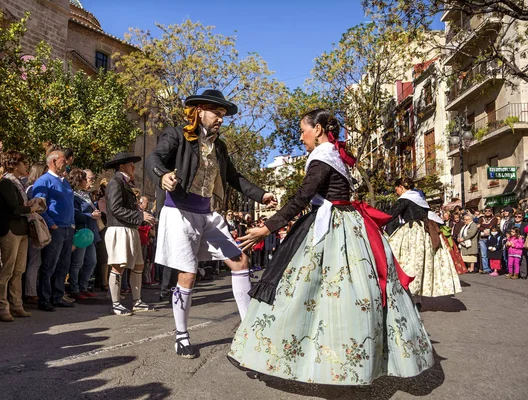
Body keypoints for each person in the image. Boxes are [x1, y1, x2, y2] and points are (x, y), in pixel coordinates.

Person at [229, 109, 433, 385]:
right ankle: (349, 360)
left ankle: (292, 357)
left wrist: (267, 228)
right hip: (345, 224)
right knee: (337, 295)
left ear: (320, 129)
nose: (301, 137)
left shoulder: (323, 155)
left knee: (302, 292)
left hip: (332, 226)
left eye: (304, 130)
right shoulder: (334, 155)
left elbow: (302, 197)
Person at [145, 89, 277, 359]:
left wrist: (260, 194)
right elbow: (154, 159)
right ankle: (181, 336)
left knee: (239, 261)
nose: (221, 119)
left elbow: (233, 177)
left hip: (207, 213)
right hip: (179, 212)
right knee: (188, 274)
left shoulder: (219, 146)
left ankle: (248, 329)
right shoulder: (177, 135)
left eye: (223, 115)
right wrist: (162, 176)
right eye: (216, 113)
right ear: (198, 111)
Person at [386, 177, 462, 304]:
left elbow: (390, 215)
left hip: (412, 231)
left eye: (397, 189)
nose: (396, 192)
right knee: (420, 262)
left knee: (402, 259)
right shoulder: (420, 200)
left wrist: (372, 218)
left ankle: (408, 295)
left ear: (401, 187)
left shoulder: (405, 199)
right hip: (424, 232)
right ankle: (417, 298)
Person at [104, 152, 155, 315]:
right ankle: (116, 303)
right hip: (119, 229)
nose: (134, 166)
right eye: (130, 164)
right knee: (118, 265)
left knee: (138, 264)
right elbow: (115, 208)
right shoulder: (115, 182)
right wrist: (140, 216)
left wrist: (142, 216)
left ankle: (137, 300)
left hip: (129, 229)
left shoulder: (124, 182)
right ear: (121, 166)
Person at [0, 151, 39, 321]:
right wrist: (31, 208)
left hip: (21, 229)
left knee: (19, 270)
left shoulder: (18, 183)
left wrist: (31, 204)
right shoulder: (6, 182)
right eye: (23, 163)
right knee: (7, 269)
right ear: (13, 164)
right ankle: (2, 306)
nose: (26, 166)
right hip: (10, 229)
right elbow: (13, 208)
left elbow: (19, 205)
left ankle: (17, 304)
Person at [32, 150, 75, 311]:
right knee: (49, 264)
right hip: (55, 228)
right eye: (63, 160)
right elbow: (39, 205)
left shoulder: (64, 181)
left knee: (63, 265)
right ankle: (44, 299)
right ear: (53, 161)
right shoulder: (44, 181)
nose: (66, 163)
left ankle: (58, 296)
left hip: (67, 227)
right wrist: (51, 223)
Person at [68, 169, 101, 300]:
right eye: (86, 179)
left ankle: (84, 286)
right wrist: (90, 215)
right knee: (78, 263)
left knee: (91, 261)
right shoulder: (74, 196)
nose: (88, 181)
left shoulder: (87, 195)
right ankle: (74, 289)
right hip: (81, 233)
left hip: (90, 233)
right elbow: (75, 213)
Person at [24, 162, 47, 304]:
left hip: (36, 227)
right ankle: (31, 292)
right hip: (34, 228)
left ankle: (32, 289)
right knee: (34, 261)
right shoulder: (32, 189)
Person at [477, 207, 498, 274]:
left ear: (492, 211)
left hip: (490, 238)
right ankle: (486, 268)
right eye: (486, 211)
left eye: (489, 211)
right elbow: (478, 226)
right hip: (482, 238)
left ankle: (492, 268)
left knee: (491, 253)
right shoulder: (481, 218)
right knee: (483, 254)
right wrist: (483, 229)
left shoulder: (494, 219)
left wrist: (482, 225)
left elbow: (491, 226)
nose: (487, 212)